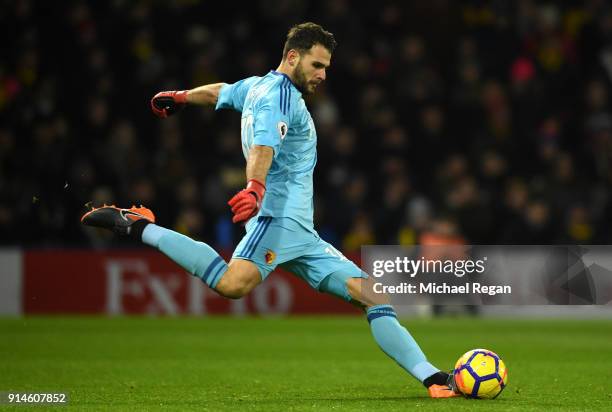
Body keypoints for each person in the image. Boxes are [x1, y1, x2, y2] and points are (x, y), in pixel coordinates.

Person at [81, 22, 458, 398]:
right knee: (233, 284)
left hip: (302, 233)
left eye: (326, 67)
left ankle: (433, 379)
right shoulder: (280, 98)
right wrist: (256, 188)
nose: (323, 75)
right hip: (276, 220)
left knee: (374, 296)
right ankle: (139, 227)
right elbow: (264, 147)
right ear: (293, 56)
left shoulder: (255, 85)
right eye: (317, 65)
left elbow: (220, 93)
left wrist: (181, 97)